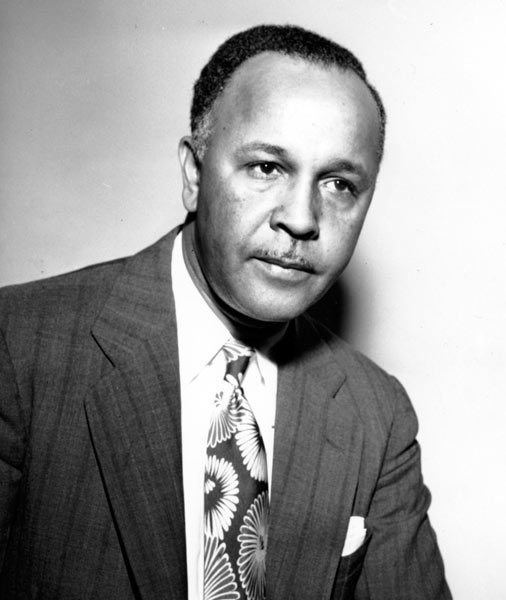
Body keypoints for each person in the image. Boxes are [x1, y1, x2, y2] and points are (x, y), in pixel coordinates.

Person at [0, 24, 452, 599]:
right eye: (267, 167)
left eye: (338, 183)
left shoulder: (377, 413)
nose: (301, 218)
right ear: (194, 174)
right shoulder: (19, 347)